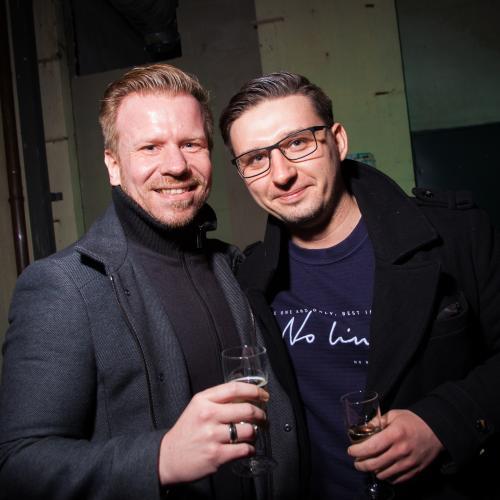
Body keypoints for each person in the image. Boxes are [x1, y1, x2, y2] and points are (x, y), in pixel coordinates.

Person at [0, 64, 306, 500]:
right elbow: (18, 465)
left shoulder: (234, 266)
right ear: (113, 164)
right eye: (150, 147)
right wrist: (159, 457)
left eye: (191, 144)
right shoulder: (63, 286)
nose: (176, 166)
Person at [219, 71, 500, 500]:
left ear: (338, 141)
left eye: (298, 143)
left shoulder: (457, 237)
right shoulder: (250, 277)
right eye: (256, 159)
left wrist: (446, 423)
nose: (282, 174)